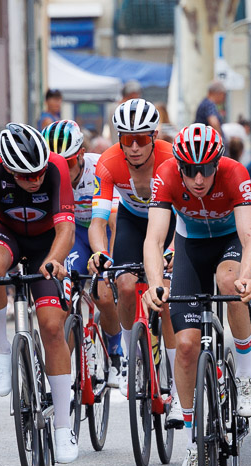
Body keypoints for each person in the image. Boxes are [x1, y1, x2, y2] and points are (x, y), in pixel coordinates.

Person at [141, 124, 251, 466]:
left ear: (217, 164)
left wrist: (248, 277)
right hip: (190, 247)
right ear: (177, 166)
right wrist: (156, 284)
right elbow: (154, 239)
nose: (197, 179)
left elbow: (250, 237)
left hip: (228, 244)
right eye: (189, 170)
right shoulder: (165, 176)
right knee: (188, 346)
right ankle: (193, 446)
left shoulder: (235, 174)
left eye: (206, 170)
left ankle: (244, 375)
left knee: (230, 284)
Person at [0, 123, 78, 463]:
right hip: (5, 234)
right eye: (25, 176)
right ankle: (3, 351)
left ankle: (63, 425)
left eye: (38, 174)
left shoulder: (57, 166)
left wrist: (53, 261)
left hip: (45, 242)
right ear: (7, 169)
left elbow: (66, 227)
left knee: (51, 326)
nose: (35, 180)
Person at [86, 99, 177, 399]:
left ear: (154, 137)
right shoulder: (108, 163)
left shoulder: (170, 158)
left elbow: (188, 214)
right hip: (132, 220)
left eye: (141, 139)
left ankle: (178, 383)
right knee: (124, 285)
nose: (134, 147)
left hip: (172, 219)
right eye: (127, 139)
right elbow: (98, 222)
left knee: (164, 296)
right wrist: (100, 252)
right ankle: (129, 357)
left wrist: (173, 248)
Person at [41, 119, 122, 366]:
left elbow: (115, 223)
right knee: (64, 299)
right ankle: (64, 370)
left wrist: (111, 263)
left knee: (104, 293)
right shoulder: (44, 177)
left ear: (81, 155)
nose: (61, 170)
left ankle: (115, 341)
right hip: (73, 233)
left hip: (104, 228)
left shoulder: (101, 167)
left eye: (67, 163)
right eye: (54, 165)